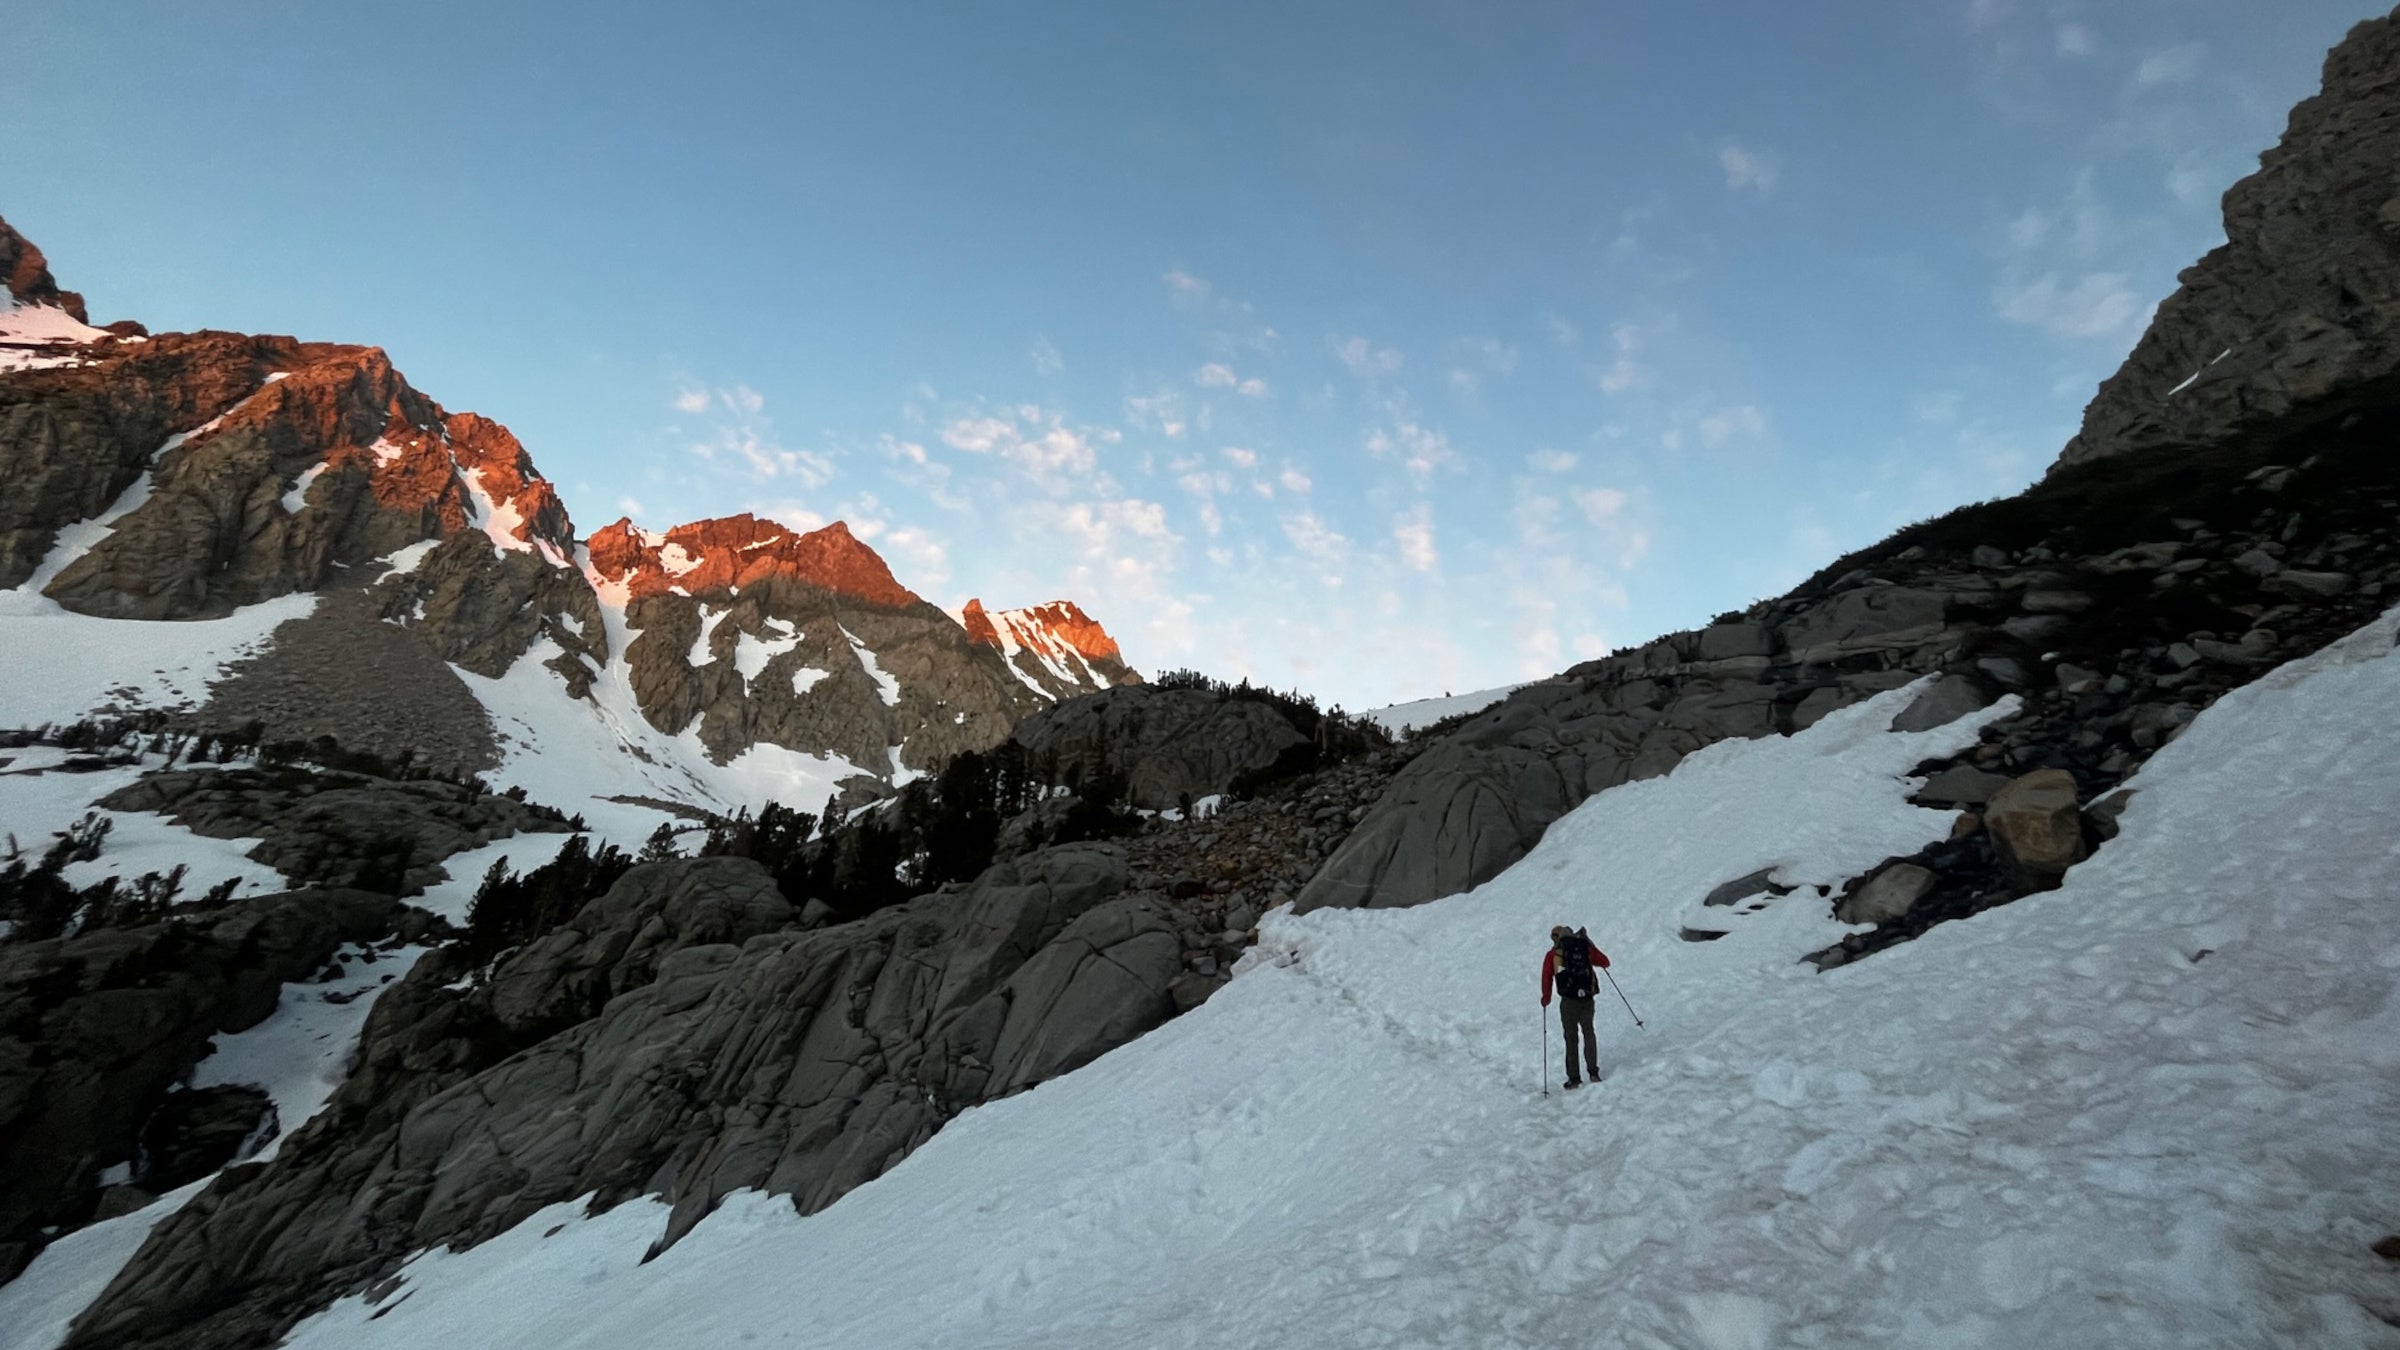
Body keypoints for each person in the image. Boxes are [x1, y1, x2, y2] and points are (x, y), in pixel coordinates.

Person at [1539, 925, 1611, 1089]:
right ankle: (1593, 1072)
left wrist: (1546, 998)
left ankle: (1574, 1078)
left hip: (1568, 1002)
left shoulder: (1553, 955)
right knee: (1589, 1033)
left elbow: (1546, 978)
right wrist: (1590, 944)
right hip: (1587, 999)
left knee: (1571, 1038)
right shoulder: (1583, 948)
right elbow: (1605, 962)